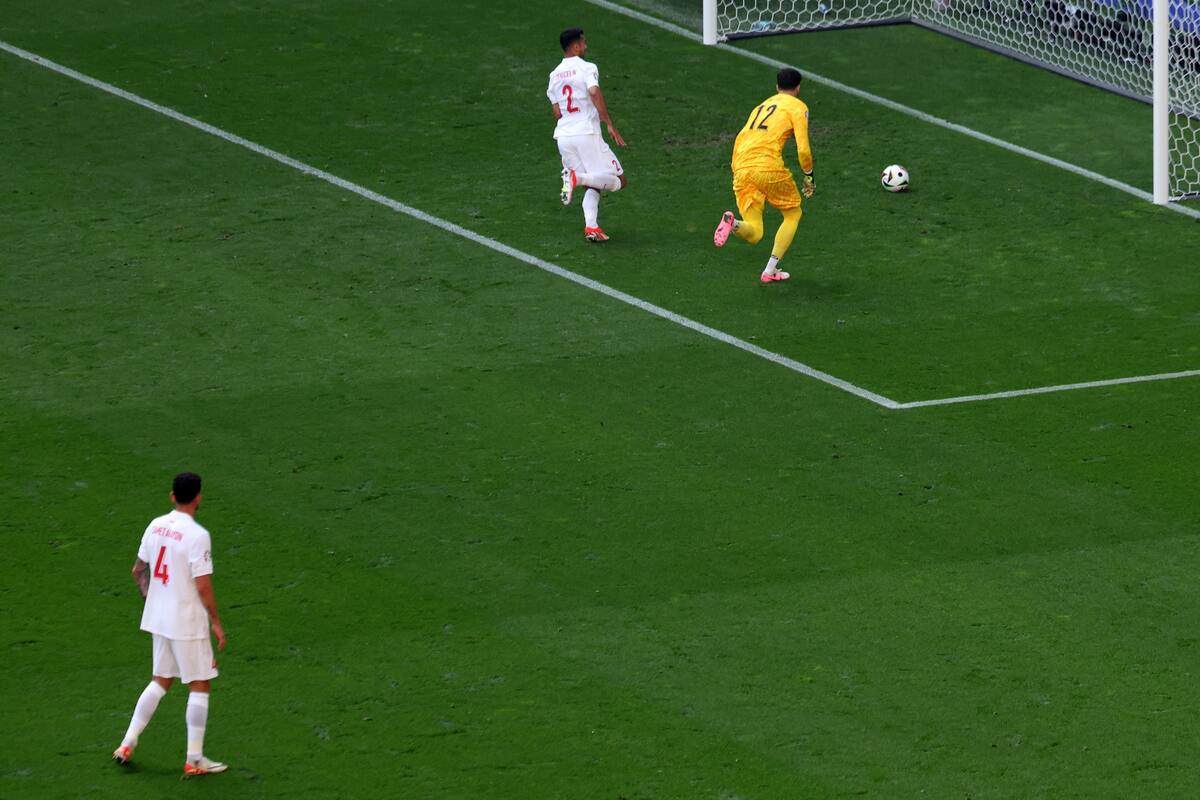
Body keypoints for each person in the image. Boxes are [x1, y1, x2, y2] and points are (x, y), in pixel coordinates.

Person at [112, 472, 228, 777]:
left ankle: (127, 743)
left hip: (159, 618)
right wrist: (216, 622)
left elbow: (138, 570)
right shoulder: (197, 535)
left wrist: (152, 597)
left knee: (160, 680)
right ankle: (194, 759)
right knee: (200, 683)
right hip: (187, 621)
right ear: (198, 497)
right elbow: (203, 585)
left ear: (172, 496)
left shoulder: (155, 525)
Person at [713, 67, 815, 283]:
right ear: (798, 88)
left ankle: (733, 223)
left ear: (777, 87)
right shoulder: (798, 107)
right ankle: (769, 270)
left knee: (755, 232)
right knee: (792, 214)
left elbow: (741, 137)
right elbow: (803, 150)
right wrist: (809, 175)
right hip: (766, 166)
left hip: (740, 166)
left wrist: (740, 170)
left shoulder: (760, 106)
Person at [548, 27, 627, 242]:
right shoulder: (587, 68)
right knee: (619, 180)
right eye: (583, 43)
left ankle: (591, 227)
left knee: (595, 183)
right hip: (587, 134)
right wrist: (609, 123)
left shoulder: (553, 75)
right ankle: (574, 178)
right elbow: (593, 92)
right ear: (575, 46)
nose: (585, 46)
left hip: (563, 137)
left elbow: (557, 111)